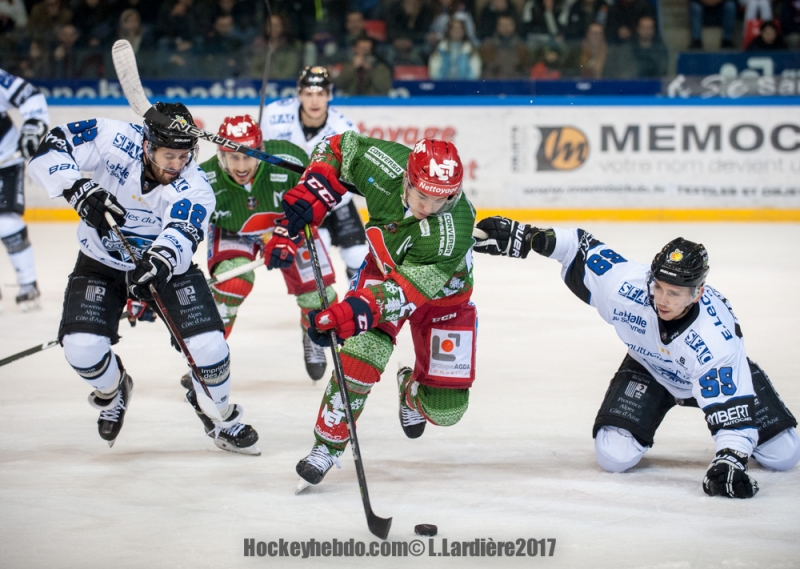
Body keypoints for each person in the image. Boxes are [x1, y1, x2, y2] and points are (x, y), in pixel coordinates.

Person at [473, 216, 800, 498]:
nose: (662, 299)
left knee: (784, 454)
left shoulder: (714, 341)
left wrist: (730, 459)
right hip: (650, 368)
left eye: (674, 293)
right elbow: (579, 246)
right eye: (658, 287)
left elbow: (732, 415)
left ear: (697, 292)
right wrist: (529, 238)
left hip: (708, 376)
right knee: (613, 456)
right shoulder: (626, 287)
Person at [27, 102, 260, 455]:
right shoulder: (112, 137)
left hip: (165, 269)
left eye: (184, 156)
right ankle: (113, 390)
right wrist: (77, 188)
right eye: (169, 155)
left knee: (210, 348)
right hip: (99, 260)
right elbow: (53, 143)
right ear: (147, 145)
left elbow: (183, 230)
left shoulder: (195, 185)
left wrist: (160, 261)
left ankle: (222, 416)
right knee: (82, 349)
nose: (177, 165)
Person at [280, 134, 478, 487]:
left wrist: (349, 313)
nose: (429, 207)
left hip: (443, 302)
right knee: (360, 355)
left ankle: (409, 391)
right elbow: (338, 147)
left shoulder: (454, 228)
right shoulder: (384, 162)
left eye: (441, 199)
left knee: (447, 410)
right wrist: (317, 187)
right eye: (421, 195)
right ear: (406, 179)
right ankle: (325, 447)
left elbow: (403, 293)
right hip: (384, 269)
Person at [179, 114, 337, 385]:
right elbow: (180, 227)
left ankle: (310, 333)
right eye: (233, 157)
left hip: (288, 226)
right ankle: (207, 358)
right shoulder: (203, 180)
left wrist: (288, 234)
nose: (241, 166)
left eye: (248, 157)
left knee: (320, 297)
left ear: (260, 152)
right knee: (232, 284)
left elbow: (319, 202)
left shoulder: (290, 161)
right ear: (220, 155)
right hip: (234, 230)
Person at [260, 65, 369, 282]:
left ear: (329, 94)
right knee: (318, 254)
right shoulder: (273, 115)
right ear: (299, 94)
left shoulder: (346, 130)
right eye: (309, 94)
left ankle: (355, 301)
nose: (315, 101)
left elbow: (349, 180)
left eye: (320, 94)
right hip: (296, 200)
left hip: (334, 198)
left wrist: (322, 205)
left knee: (357, 256)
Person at [0, 68, 49, 312]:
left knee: (6, 221)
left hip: (4, 160)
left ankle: (27, 284)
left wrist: (33, 125)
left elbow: (30, 95)